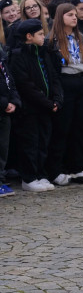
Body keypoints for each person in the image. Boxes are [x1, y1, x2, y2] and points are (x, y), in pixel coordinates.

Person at [10, 20, 62, 192]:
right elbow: (25, 85)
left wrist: (56, 99)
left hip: (46, 107)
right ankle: (29, 177)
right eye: (40, 34)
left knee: (43, 142)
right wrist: (47, 103)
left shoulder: (42, 52)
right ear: (29, 36)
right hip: (30, 108)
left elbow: (53, 76)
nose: (43, 37)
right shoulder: (18, 55)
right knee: (30, 143)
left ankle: (40, 174)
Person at [45, 4, 83, 186]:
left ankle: (77, 166)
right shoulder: (53, 40)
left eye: (75, 15)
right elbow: (53, 70)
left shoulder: (82, 37)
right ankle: (56, 169)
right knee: (62, 128)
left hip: (82, 82)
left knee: (81, 127)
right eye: (70, 15)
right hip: (64, 82)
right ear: (60, 17)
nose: (75, 17)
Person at [0, 44, 20, 196]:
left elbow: (9, 79)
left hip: (5, 109)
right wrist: (4, 102)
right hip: (2, 104)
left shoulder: (2, 52)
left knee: (3, 147)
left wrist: (13, 100)